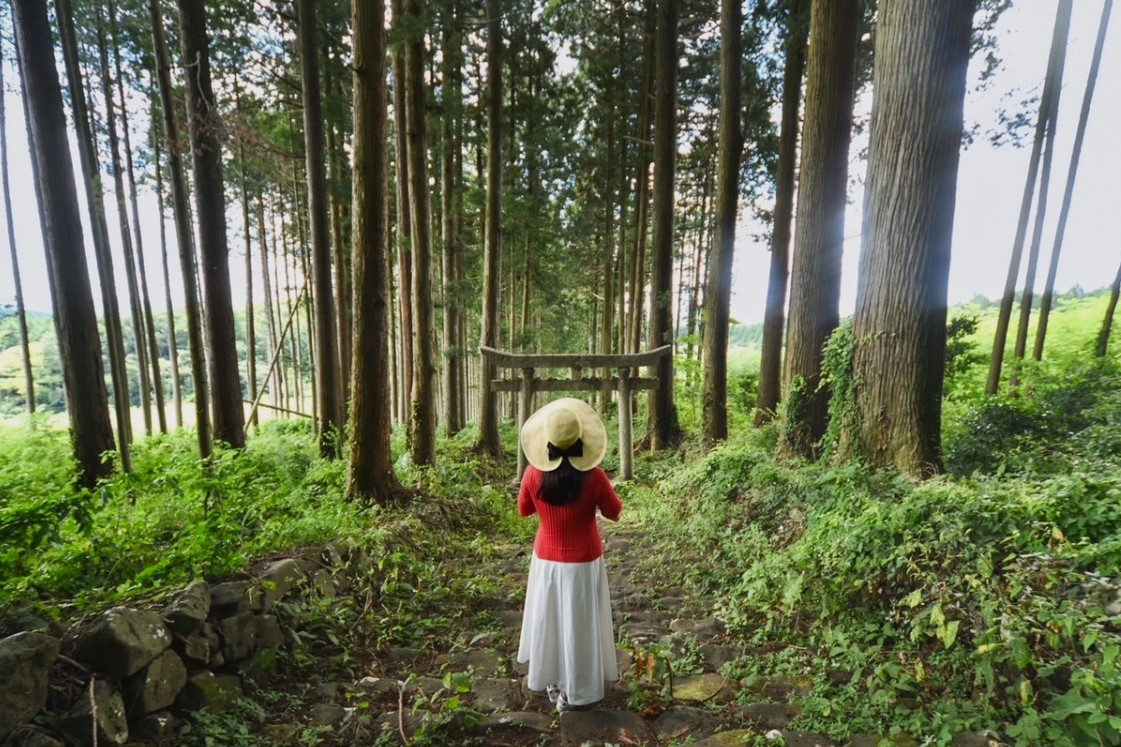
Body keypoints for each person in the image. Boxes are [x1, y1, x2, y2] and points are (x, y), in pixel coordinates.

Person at [516, 397, 622, 710]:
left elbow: (523, 510)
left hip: (547, 559)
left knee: (549, 619)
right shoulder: (595, 475)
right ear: (580, 440)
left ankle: (551, 680)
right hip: (584, 559)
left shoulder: (534, 475)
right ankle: (581, 688)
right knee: (580, 623)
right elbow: (614, 511)